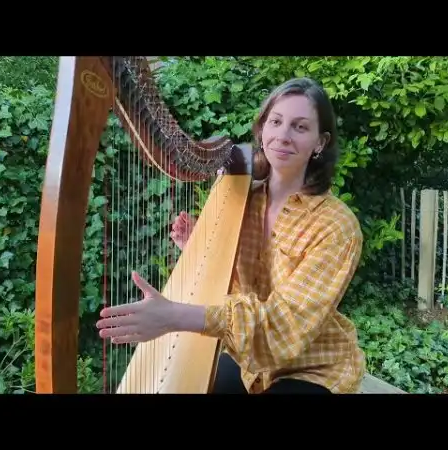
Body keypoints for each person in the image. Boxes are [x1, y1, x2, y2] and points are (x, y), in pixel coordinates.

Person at [96, 77, 366, 394]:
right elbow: (240, 286)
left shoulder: (335, 226)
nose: (283, 135)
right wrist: (199, 251)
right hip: (248, 358)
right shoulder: (242, 199)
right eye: (276, 122)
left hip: (312, 366)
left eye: (300, 127)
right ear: (262, 129)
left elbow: (285, 328)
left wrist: (174, 316)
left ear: (320, 143)